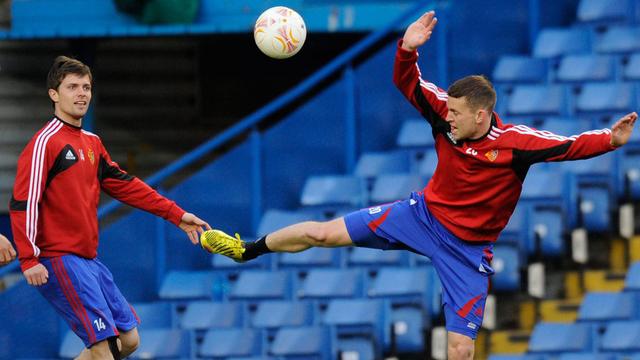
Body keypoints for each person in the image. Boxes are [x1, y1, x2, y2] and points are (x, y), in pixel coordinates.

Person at [200, 11, 638, 360]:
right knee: (320, 233)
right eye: (446, 109)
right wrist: (406, 50)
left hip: (467, 251)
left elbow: (567, 145)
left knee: (461, 349)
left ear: (481, 116)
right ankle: (246, 250)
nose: (447, 116)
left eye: (456, 113)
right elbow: (408, 82)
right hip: (421, 216)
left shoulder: (514, 144)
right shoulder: (444, 114)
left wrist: (610, 140)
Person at [10, 56, 211, 360]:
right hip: (59, 258)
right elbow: (24, 202)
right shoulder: (45, 143)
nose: (82, 93)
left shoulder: (92, 142)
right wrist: (28, 258)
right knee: (102, 350)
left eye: (86, 87)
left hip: (89, 261)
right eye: (72, 87)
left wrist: (176, 215)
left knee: (129, 341)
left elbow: (126, 185)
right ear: (54, 94)